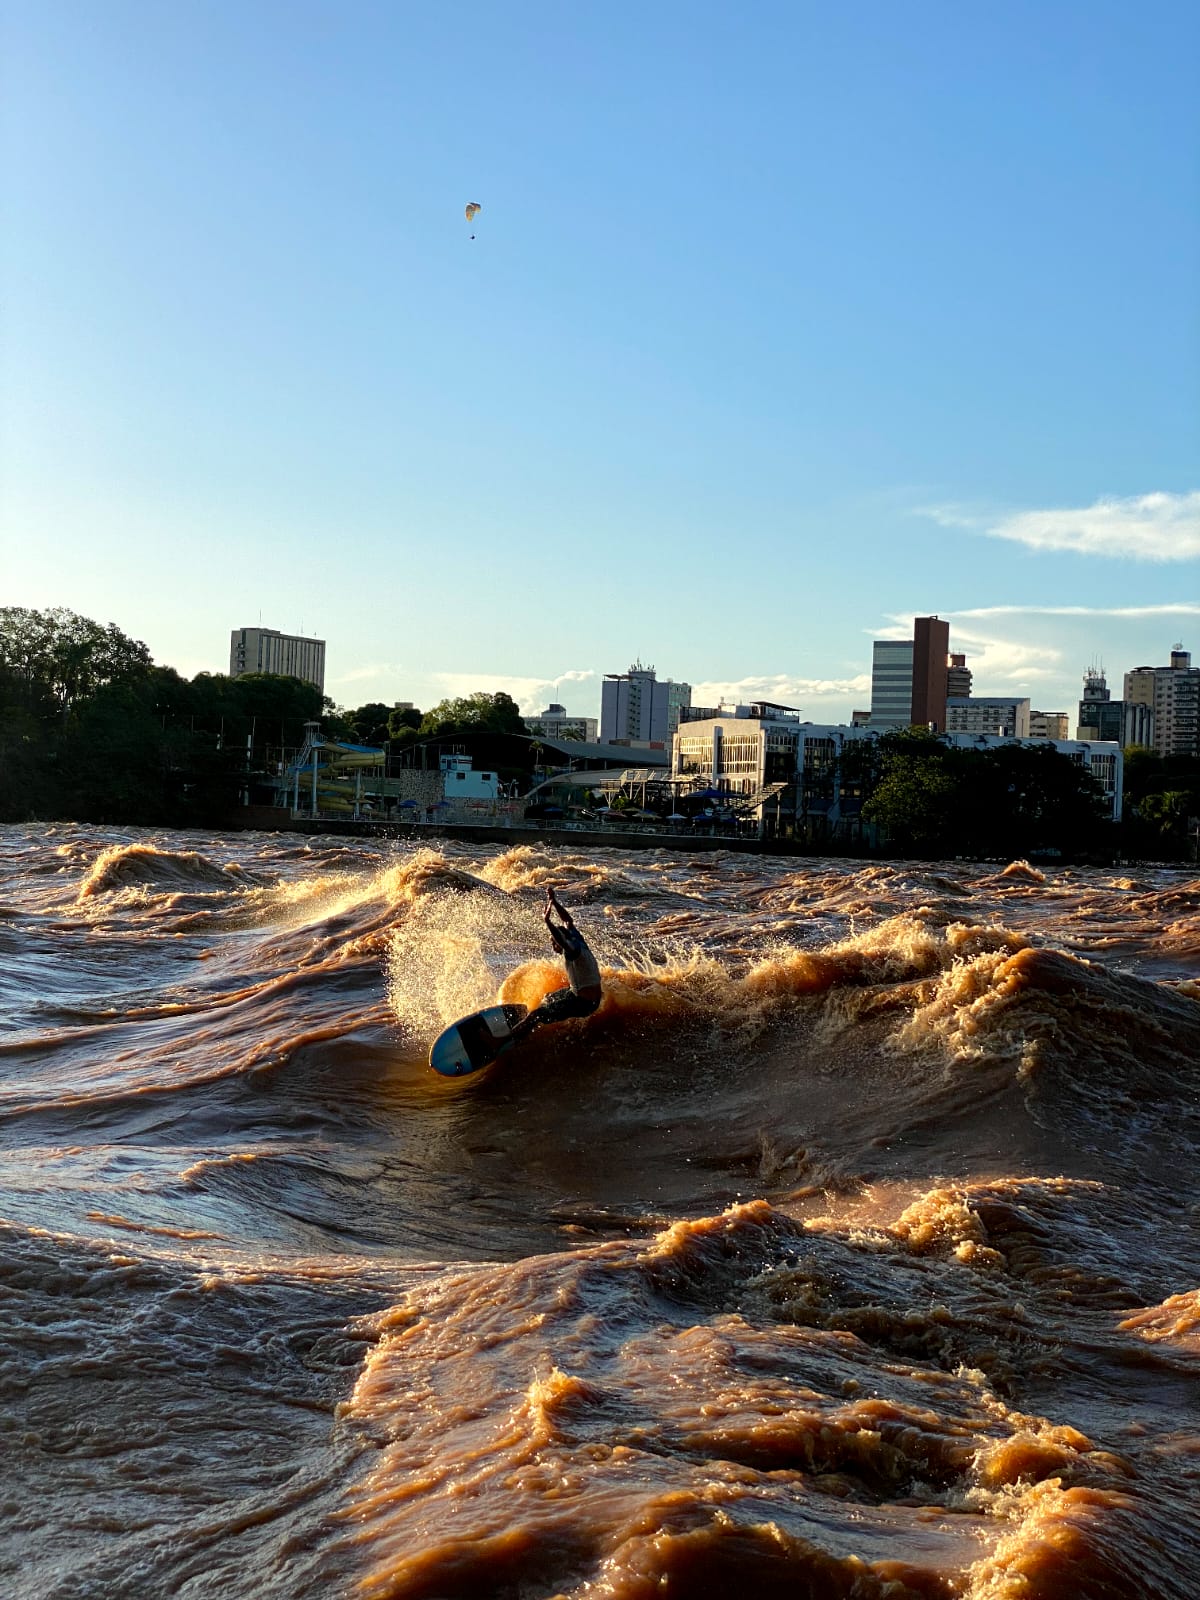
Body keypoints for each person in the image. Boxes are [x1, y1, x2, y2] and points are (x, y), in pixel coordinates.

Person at [511, 888, 602, 1042]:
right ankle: (526, 1029)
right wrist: (554, 902)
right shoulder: (577, 939)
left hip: (584, 1004)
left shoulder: (572, 951)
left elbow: (562, 941)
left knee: (536, 1015)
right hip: (582, 995)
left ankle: (504, 1040)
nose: (553, 947)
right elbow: (568, 921)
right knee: (548, 998)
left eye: (553, 943)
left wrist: (547, 921)